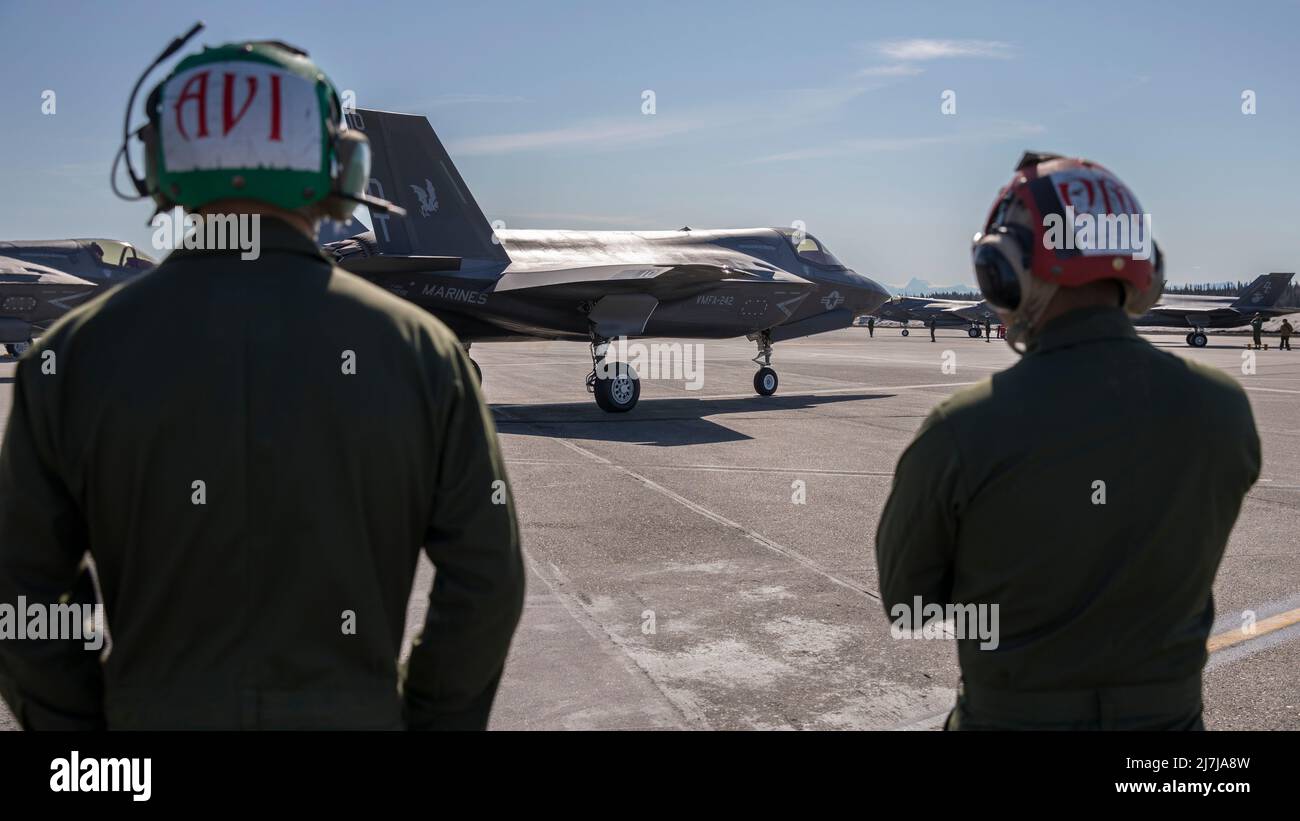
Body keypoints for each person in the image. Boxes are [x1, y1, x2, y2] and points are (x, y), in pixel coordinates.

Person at [0, 38, 524, 730]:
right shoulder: (423, 352)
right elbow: (487, 582)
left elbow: (21, 595)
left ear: (162, 169)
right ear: (341, 170)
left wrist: (88, 745)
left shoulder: (66, 358)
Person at [875, 152, 1260, 730]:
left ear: (1002, 271)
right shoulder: (1223, 408)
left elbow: (909, 604)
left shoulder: (962, 428)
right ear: (1144, 273)